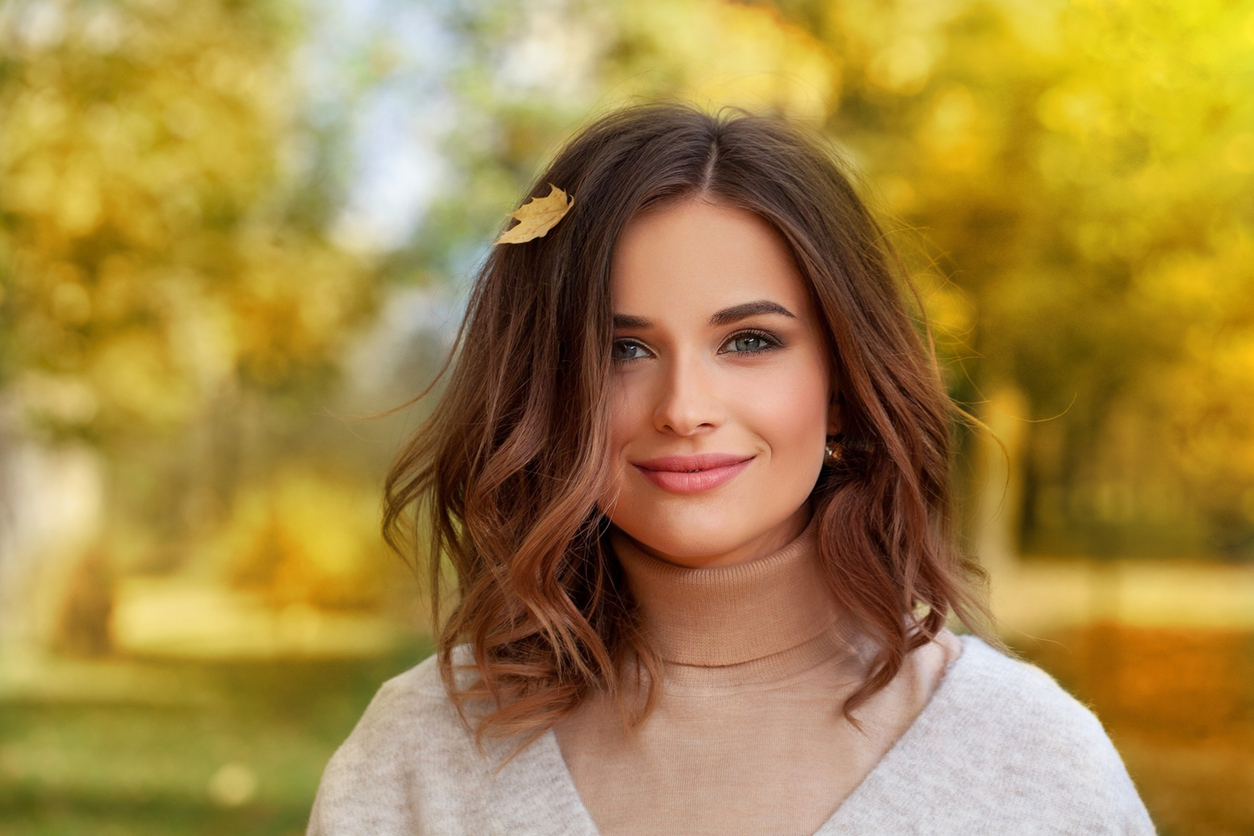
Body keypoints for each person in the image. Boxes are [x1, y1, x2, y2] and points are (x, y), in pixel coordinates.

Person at [306, 103, 1155, 836]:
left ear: (844, 385)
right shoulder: (419, 756)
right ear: (547, 392)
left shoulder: (1032, 758)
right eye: (622, 348)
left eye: (749, 341)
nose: (684, 407)